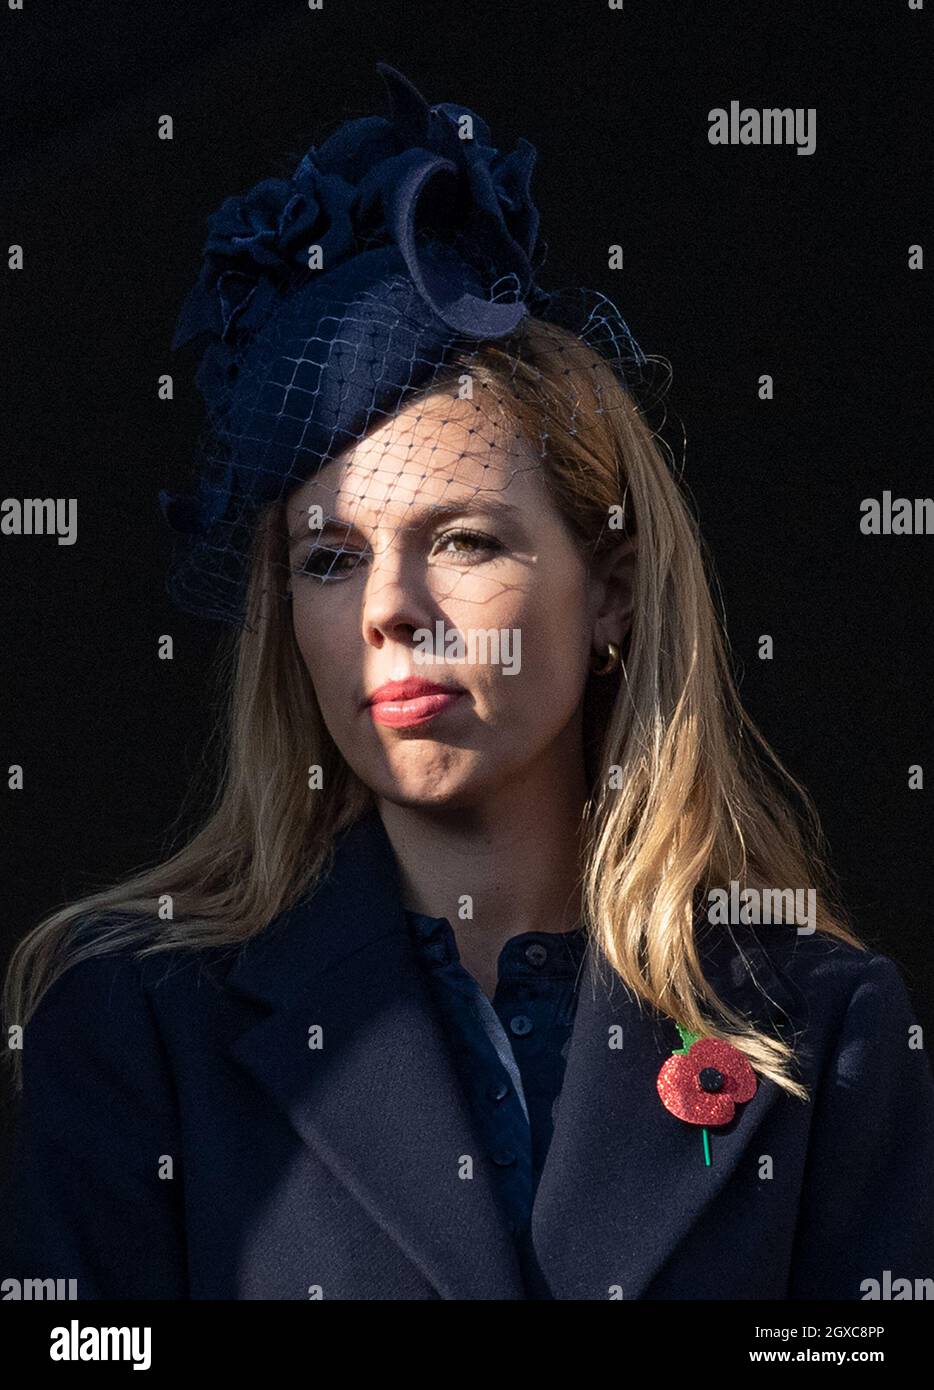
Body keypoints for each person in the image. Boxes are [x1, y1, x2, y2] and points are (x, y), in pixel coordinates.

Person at [2, 62, 933, 1302]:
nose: (389, 608)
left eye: (462, 540)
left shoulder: (820, 1026)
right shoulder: (139, 1027)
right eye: (328, 559)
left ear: (608, 588)